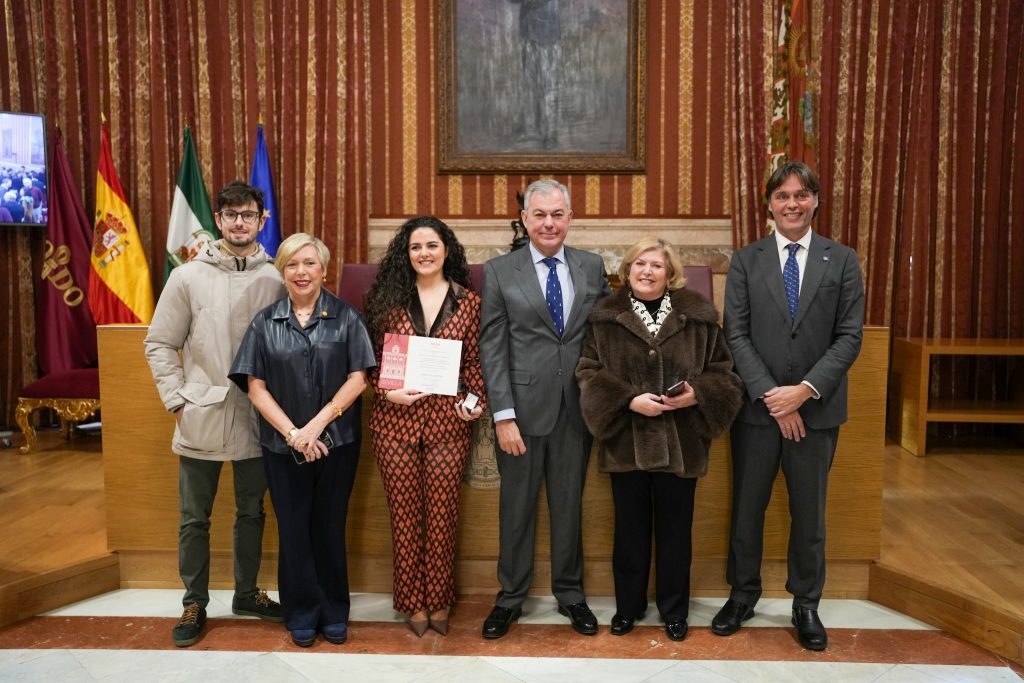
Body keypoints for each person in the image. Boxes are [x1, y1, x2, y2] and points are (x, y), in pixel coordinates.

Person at [714, 161, 864, 651]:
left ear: (816, 200)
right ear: (769, 204)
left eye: (801, 195)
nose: (792, 204)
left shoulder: (842, 260)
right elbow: (735, 334)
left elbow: (849, 337)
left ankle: (806, 603)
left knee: (809, 514)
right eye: (782, 196)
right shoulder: (745, 260)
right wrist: (772, 396)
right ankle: (742, 595)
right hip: (757, 413)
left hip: (817, 412)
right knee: (747, 509)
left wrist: (803, 391)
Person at [576, 238, 742, 641]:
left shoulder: (700, 319)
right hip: (626, 443)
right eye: (639, 264)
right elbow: (587, 372)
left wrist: (696, 394)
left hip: (682, 444)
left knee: (676, 535)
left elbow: (725, 374)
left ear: (671, 275)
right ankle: (628, 608)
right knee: (629, 533)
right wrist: (628, 400)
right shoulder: (605, 319)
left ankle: (674, 610)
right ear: (627, 270)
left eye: (656, 265)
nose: (647, 271)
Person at [144, 181, 286, 648]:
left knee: (253, 512)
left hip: (259, 415)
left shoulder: (278, 278)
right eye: (231, 215)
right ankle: (194, 602)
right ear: (219, 220)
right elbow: (160, 343)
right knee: (194, 518)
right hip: (201, 412)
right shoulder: (187, 277)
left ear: (261, 220)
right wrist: (176, 400)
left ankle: (247, 593)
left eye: (248, 215)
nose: (239, 223)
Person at [228, 233, 376, 648]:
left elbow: (359, 378)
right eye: (292, 264)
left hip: (338, 443)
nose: (301, 271)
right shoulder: (264, 322)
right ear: (282, 272)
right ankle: (301, 612)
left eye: (310, 263)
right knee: (293, 529)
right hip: (282, 447)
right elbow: (255, 387)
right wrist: (294, 433)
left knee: (329, 526)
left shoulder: (347, 317)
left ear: (324, 270)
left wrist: (316, 427)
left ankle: (333, 611)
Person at [479, 178, 610, 639]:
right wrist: (503, 415)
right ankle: (510, 598)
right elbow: (492, 346)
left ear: (570, 218)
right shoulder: (499, 271)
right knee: (516, 509)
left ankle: (570, 594)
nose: (549, 223)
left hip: (576, 410)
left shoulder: (592, 266)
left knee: (568, 506)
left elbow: (606, 333)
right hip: (521, 412)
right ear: (525, 219)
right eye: (540, 215)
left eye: (557, 214)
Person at [363, 216, 487, 637]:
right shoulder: (386, 298)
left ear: (446, 250)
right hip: (394, 423)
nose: (424, 253)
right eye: (416, 247)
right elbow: (369, 359)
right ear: (406, 253)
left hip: (448, 423)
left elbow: (474, 362)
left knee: (442, 515)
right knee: (403, 517)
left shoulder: (469, 303)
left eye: (432, 245)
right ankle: (412, 601)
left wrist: (474, 403)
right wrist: (386, 391)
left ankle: (439, 598)